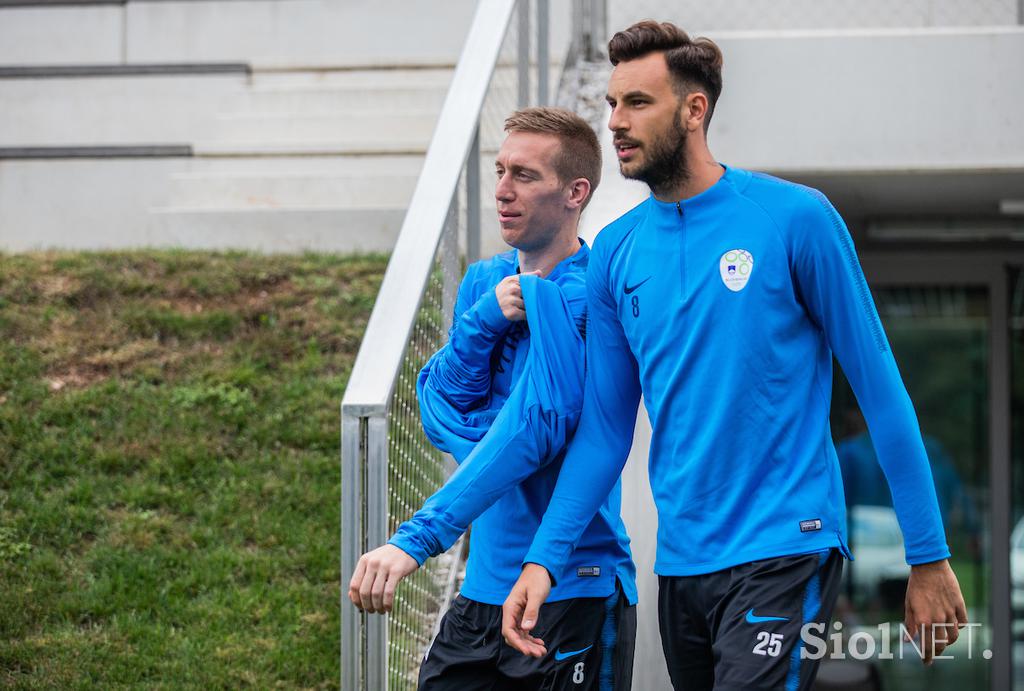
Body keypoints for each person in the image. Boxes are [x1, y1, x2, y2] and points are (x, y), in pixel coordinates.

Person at [499, 21, 968, 690]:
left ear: (694, 110)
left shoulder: (795, 219)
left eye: (638, 102)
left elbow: (880, 389)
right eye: (611, 103)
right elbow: (606, 431)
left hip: (786, 544)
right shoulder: (615, 254)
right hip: (683, 563)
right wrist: (542, 559)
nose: (616, 122)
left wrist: (928, 552)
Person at [347, 107, 637, 690]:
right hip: (481, 588)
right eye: (500, 170)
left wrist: (417, 538)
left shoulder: (591, 295)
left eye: (525, 176)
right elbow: (442, 412)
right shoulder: (483, 283)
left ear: (575, 192)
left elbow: (530, 430)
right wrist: (483, 321)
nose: (502, 190)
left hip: (570, 587)